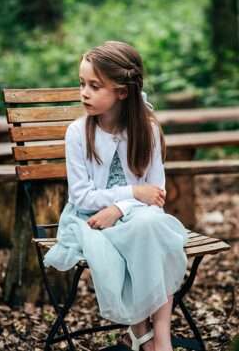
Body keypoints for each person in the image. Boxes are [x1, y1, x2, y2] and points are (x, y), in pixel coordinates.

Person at [43, 41, 187, 351]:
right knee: (142, 232)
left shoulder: (146, 130)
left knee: (150, 227)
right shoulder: (78, 134)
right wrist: (133, 193)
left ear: (122, 92)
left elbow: (156, 193)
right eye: (82, 83)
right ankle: (141, 330)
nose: (84, 92)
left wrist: (120, 207)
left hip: (137, 217)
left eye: (95, 86)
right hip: (90, 220)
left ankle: (159, 332)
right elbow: (82, 197)